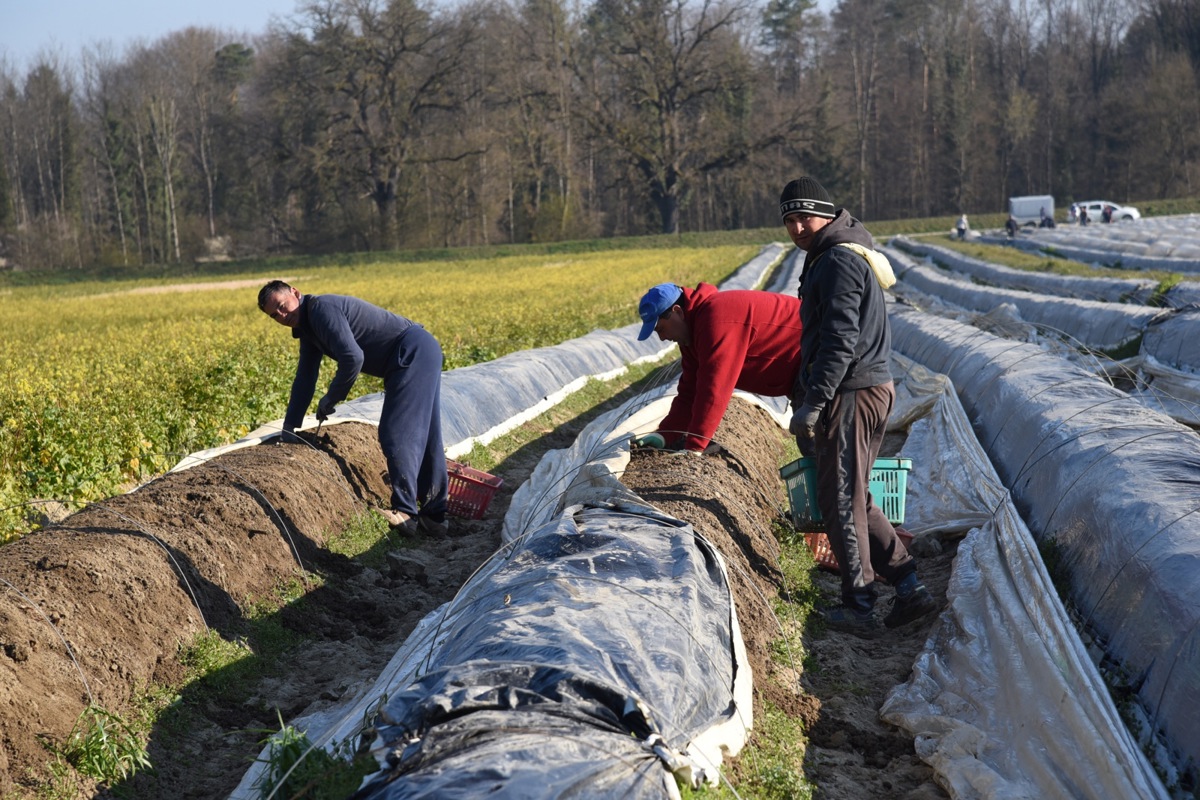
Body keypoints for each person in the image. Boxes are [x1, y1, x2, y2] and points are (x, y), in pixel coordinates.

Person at [779, 176, 937, 635]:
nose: (796, 228)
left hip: (851, 392)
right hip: (861, 389)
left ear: (824, 214)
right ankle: (908, 585)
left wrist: (816, 400)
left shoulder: (838, 262)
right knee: (854, 494)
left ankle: (861, 604)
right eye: (789, 220)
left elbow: (839, 341)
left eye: (803, 216)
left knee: (840, 502)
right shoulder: (833, 255)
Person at [258, 281, 449, 535]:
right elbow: (305, 377)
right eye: (275, 315)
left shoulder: (321, 310)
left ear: (295, 292)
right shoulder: (308, 330)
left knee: (397, 433)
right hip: (416, 352)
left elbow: (353, 357)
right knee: (427, 436)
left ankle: (405, 512)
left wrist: (331, 397)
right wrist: (289, 426)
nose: (282, 316)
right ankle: (435, 517)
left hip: (411, 351)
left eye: (282, 306)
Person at [633, 282, 802, 452]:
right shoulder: (691, 336)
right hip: (799, 375)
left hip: (817, 357)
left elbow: (715, 388)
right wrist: (664, 435)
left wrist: (694, 447)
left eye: (660, 329)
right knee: (812, 446)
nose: (662, 338)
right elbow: (690, 390)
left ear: (677, 311)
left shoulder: (716, 321)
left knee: (821, 444)